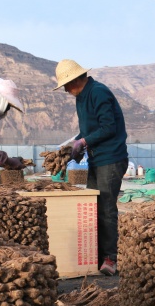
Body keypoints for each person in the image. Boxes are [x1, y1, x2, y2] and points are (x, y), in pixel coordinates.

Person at [54, 59, 128, 276]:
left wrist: (84, 142)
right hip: (96, 159)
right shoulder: (81, 97)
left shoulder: (98, 92)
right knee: (92, 207)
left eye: (67, 84)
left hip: (111, 159)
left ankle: (110, 258)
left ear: (76, 79)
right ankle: (93, 256)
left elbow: (108, 128)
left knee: (106, 208)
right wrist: (73, 143)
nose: (66, 90)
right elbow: (88, 130)